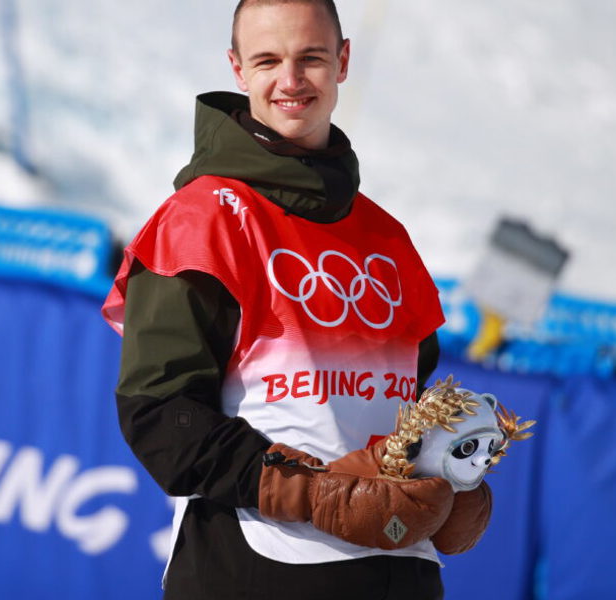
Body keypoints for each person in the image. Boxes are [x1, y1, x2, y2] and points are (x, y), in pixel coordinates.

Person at [102, 1, 492, 598]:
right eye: (267, 60)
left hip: (398, 567)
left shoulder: (388, 237)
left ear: (342, 61)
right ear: (238, 70)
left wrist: (449, 475)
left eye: (310, 58)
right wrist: (311, 493)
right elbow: (160, 416)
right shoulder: (202, 220)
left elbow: (406, 409)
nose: (290, 80)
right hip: (256, 567)